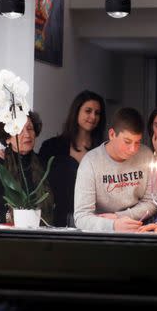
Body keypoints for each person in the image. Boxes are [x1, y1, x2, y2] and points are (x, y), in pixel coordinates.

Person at [73, 107, 157, 233]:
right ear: (112, 134)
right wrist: (113, 225)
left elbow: (153, 202)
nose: (133, 149)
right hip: (102, 235)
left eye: (137, 142)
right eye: (127, 142)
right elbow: (81, 217)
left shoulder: (146, 155)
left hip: (140, 229)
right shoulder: (91, 162)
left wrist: (120, 217)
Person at [38, 91, 106, 226]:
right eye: (88, 111)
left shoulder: (103, 150)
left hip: (93, 221)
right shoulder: (51, 146)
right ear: (76, 112)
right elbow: (35, 174)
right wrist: (7, 153)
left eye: (97, 113)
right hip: (56, 221)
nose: (93, 117)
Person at [0, 111, 54, 225]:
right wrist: (7, 216)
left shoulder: (45, 165)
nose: (27, 134)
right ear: (7, 138)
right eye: (19, 130)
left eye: (30, 128)